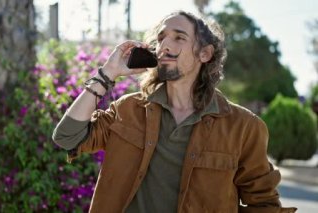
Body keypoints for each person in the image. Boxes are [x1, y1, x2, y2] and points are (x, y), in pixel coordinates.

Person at [52, 11, 297, 213]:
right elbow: (67, 137)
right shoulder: (128, 110)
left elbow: (264, 205)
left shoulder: (243, 127)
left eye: (179, 38)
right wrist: (107, 74)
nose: (165, 45)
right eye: (161, 38)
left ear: (205, 53)